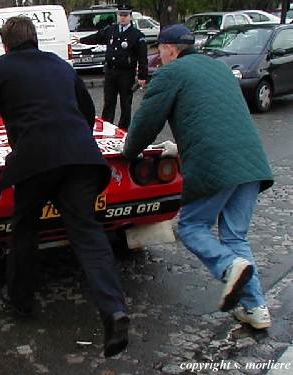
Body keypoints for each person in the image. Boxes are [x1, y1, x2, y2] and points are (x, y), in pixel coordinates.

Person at [0, 16, 129, 357]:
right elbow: (88, 109)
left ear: (5, 45)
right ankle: (114, 309)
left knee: (25, 229)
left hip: (34, 162)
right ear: (35, 39)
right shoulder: (61, 65)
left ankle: (21, 301)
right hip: (81, 159)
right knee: (88, 234)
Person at [122, 24, 274, 330]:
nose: (157, 56)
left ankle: (229, 267)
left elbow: (145, 122)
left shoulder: (170, 73)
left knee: (192, 226)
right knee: (234, 237)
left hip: (214, 164)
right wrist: (178, 147)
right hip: (250, 161)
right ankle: (256, 308)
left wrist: (128, 153)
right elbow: (214, 120)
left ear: (171, 49)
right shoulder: (218, 69)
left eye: (159, 50)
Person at [77, 4, 147, 130]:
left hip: (126, 73)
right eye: (120, 15)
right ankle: (106, 127)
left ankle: (123, 129)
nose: (123, 18)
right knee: (109, 102)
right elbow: (97, 37)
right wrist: (81, 40)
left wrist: (142, 75)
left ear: (130, 17)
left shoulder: (137, 35)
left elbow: (142, 57)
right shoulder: (111, 30)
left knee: (125, 103)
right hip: (111, 71)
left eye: (125, 15)